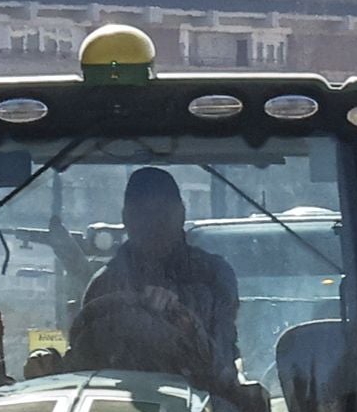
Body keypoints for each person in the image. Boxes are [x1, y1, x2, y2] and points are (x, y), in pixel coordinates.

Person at [73, 166, 240, 391]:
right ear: (126, 218)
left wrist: (188, 326)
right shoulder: (105, 284)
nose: (152, 224)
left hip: (204, 400)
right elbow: (85, 366)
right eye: (141, 213)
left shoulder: (213, 275)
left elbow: (223, 368)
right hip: (119, 403)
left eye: (162, 212)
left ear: (181, 213)